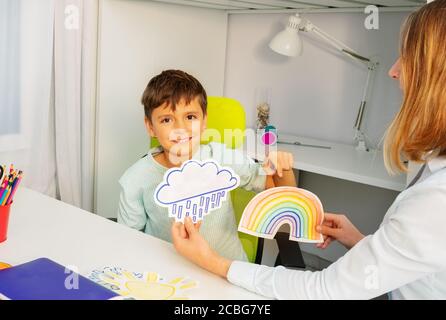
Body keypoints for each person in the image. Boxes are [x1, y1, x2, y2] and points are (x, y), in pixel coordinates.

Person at [171, 1, 446, 299]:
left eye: (407, 57)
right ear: (150, 126)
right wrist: (359, 241)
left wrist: (213, 262)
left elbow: (325, 289)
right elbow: (413, 257)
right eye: (166, 119)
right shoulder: (430, 164)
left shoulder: (436, 199)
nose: (393, 71)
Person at [118, 69, 296, 262]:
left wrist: (282, 167)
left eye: (190, 117)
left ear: (204, 122)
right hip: (169, 272)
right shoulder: (135, 179)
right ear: (150, 127)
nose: (181, 128)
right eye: (167, 119)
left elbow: (283, 195)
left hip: (227, 270)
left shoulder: (220, 156)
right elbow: (129, 242)